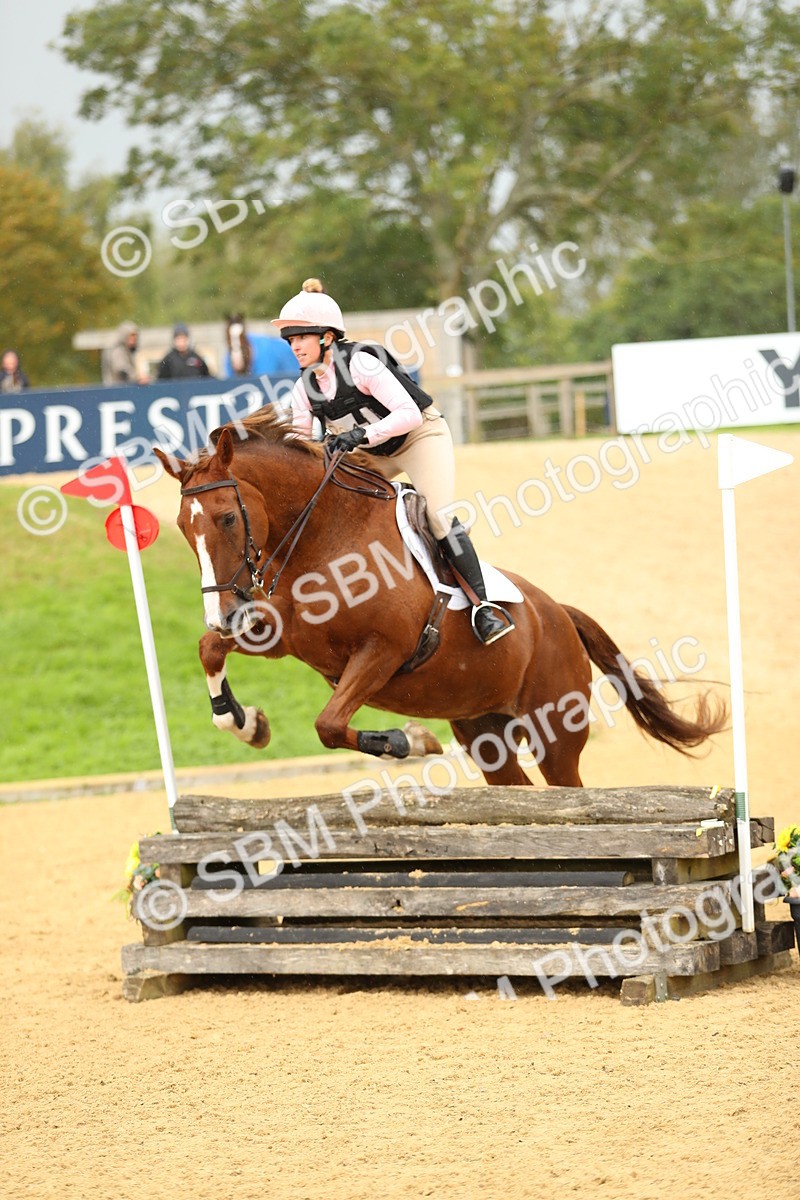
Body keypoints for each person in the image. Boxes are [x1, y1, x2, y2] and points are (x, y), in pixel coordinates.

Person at [271, 278, 514, 645]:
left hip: (420, 438)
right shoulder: (303, 389)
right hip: (374, 454)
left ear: (326, 337)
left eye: (300, 337)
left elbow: (408, 414)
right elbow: (302, 444)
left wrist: (358, 437)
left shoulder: (362, 364)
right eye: (290, 340)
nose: (294, 347)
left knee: (436, 515)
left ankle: (484, 607)